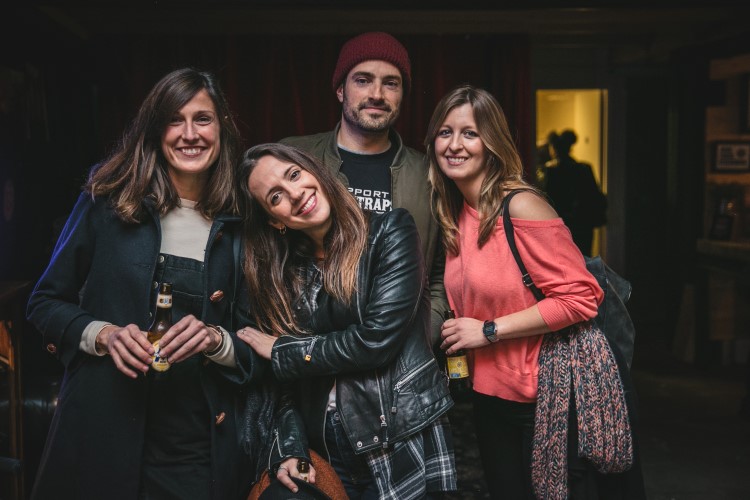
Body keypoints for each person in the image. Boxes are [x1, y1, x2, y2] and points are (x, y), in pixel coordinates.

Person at [26, 68, 266, 500]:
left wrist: (215, 340)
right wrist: (104, 334)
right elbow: (44, 302)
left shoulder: (245, 222)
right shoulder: (108, 199)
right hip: (101, 428)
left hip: (194, 447)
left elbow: (259, 345)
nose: (189, 134)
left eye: (202, 119)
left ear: (222, 128)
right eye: (174, 120)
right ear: (155, 130)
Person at [235, 143, 457, 500]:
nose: (295, 193)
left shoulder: (390, 231)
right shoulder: (285, 274)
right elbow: (285, 384)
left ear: (315, 172)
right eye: (276, 197)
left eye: (294, 175)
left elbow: (375, 342)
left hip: (398, 431)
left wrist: (284, 350)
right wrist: (291, 446)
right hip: (326, 446)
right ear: (275, 220)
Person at [426, 85, 610, 498]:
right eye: (445, 132)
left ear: (491, 142)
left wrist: (487, 330)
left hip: (544, 398)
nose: (454, 145)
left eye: (470, 133)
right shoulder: (454, 212)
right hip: (489, 397)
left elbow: (581, 298)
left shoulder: (521, 206)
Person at [280, 31, 448, 345]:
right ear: (340, 90)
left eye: (391, 83)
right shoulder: (296, 159)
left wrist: (422, 335)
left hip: (400, 353)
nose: (377, 94)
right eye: (363, 80)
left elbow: (439, 272)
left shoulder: (429, 173)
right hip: (308, 350)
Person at [542, 129, 608, 256]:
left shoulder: (550, 172)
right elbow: (594, 198)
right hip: (582, 226)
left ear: (553, 149)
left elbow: (547, 201)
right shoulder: (584, 169)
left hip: (560, 227)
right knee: (583, 259)